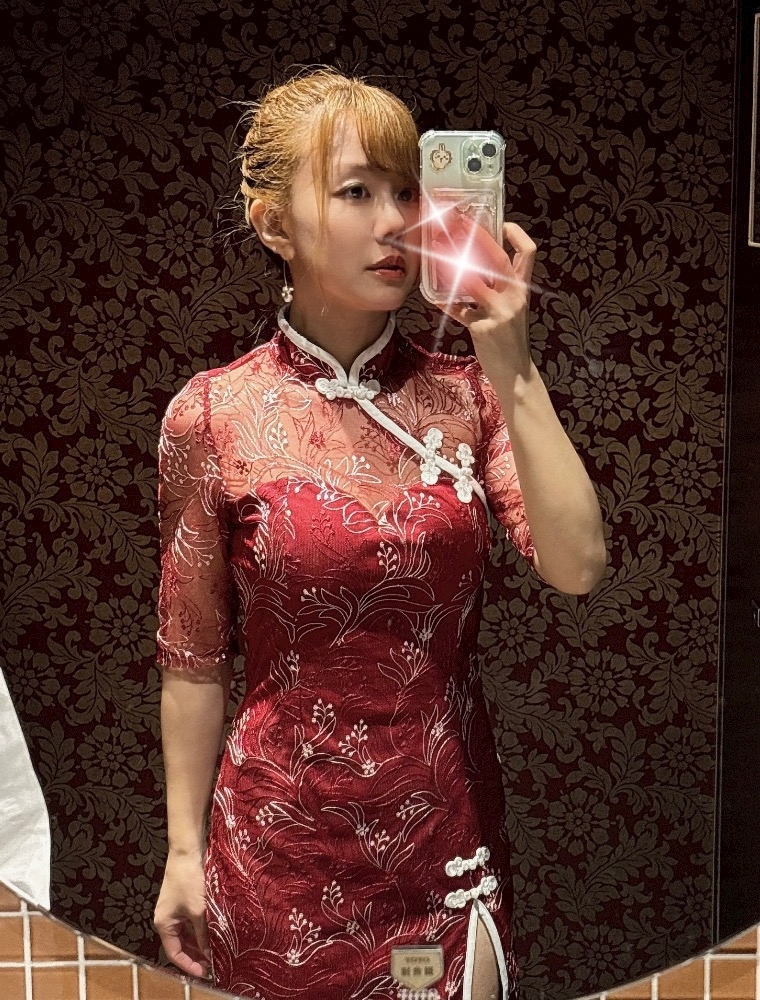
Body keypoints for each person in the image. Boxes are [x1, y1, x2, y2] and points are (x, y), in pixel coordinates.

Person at [153, 69, 606, 1000]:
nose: (395, 219)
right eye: (357, 191)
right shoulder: (214, 413)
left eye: (408, 191)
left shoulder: (469, 395)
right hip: (274, 858)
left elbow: (578, 565)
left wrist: (511, 363)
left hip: (445, 843)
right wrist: (184, 852)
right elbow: (193, 658)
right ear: (274, 224)